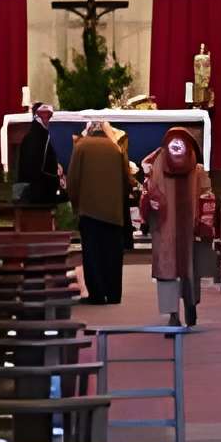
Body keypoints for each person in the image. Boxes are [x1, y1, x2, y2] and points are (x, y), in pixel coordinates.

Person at [140, 126, 215, 327]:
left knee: (176, 270)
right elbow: (207, 197)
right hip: (176, 228)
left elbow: (147, 191)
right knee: (181, 270)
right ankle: (180, 310)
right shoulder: (191, 169)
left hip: (172, 229)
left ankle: (181, 311)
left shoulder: (159, 164)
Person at [65, 118, 130, 304]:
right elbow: (125, 179)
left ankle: (97, 294)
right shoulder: (115, 148)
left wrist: (76, 205)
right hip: (114, 212)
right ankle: (114, 294)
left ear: (89, 130)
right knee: (113, 253)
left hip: (90, 210)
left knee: (93, 254)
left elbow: (73, 180)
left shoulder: (81, 146)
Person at [14, 101, 62, 207]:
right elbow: (45, 170)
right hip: (38, 193)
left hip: (28, 188)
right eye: (44, 115)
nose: (48, 119)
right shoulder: (42, 137)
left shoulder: (30, 136)